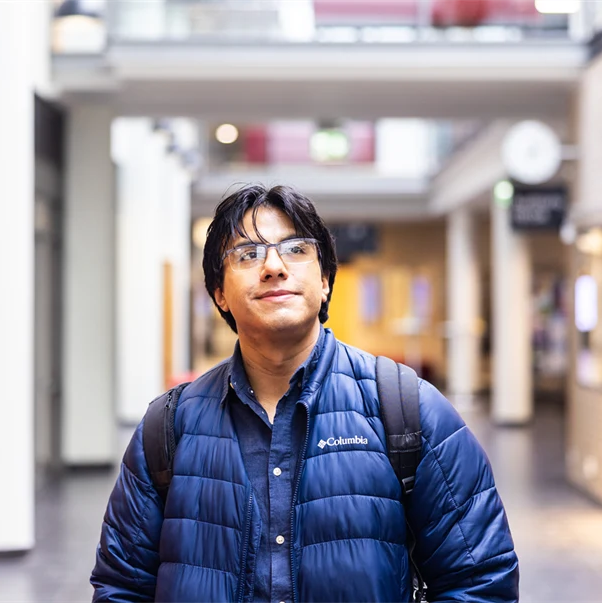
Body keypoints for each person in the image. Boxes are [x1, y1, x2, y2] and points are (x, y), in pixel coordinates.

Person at [91, 184, 518, 603]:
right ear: (219, 293)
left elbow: (479, 582)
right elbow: (122, 588)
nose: (274, 266)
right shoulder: (167, 428)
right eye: (248, 254)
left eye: (295, 249)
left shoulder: (408, 409)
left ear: (325, 279)